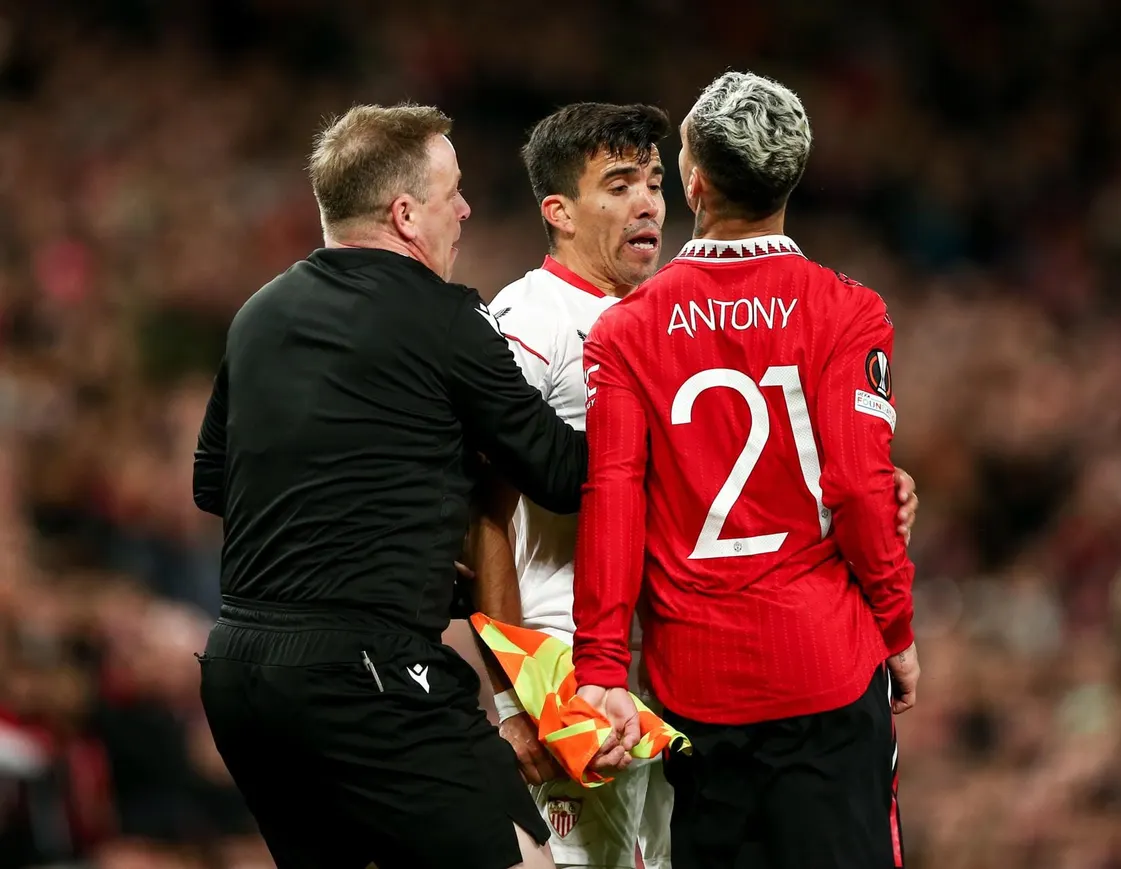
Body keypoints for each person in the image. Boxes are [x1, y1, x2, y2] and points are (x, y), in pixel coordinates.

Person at [467, 102, 920, 869]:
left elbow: (630, 489)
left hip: (669, 680)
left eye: (652, 179)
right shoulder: (532, 321)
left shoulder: (632, 324)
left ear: (691, 182)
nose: (646, 202)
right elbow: (481, 506)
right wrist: (520, 696)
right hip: (584, 684)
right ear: (559, 211)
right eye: (618, 185)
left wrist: (871, 481)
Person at [192, 103, 578, 869]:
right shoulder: (443, 317)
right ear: (405, 214)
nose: (466, 208)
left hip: (241, 677)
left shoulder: (257, 316)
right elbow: (561, 472)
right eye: (452, 192)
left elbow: (213, 484)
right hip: (366, 678)